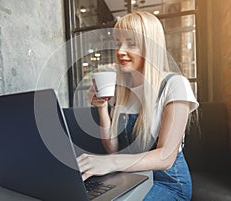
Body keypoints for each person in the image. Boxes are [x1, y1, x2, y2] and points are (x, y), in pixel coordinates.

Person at [77, 11, 199, 201]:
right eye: (118, 43)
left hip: (167, 183)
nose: (120, 51)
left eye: (131, 43)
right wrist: (101, 108)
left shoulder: (175, 84)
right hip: (132, 178)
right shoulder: (123, 90)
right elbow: (112, 147)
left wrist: (110, 163)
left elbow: (166, 158)